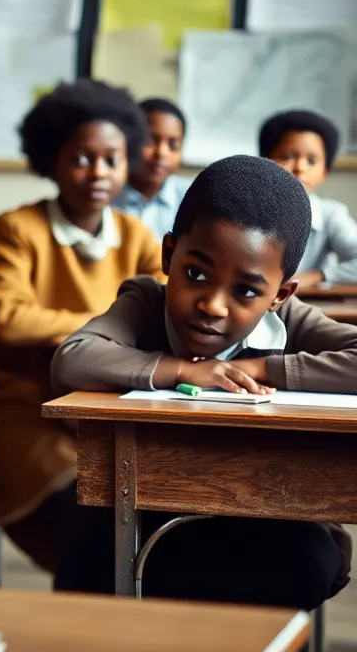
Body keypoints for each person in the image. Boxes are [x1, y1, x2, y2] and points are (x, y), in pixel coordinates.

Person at [52, 154, 351, 609]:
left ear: (279, 295)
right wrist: (184, 370)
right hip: (150, 505)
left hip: (269, 507)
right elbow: (72, 358)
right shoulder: (146, 301)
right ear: (169, 255)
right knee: (86, 547)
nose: (212, 305)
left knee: (303, 561)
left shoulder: (290, 319)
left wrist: (262, 369)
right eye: (195, 274)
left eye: (246, 291)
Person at [0, 80, 163, 574]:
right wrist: (107, 334)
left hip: (112, 409)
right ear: (51, 160)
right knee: (84, 514)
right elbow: (10, 319)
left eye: (112, 158)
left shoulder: (136, 235)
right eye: (82, 158)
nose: (98, 172)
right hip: (26, 406)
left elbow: (166, 310)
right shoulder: (20, 227)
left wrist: (87, 344)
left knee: (154, 504)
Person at [259, 110, 357, 285]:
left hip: (311, 303)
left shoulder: (331, 214)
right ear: (264, 161)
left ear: (324, 172)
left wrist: (317, 276)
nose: (300, 167)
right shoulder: (246, 210)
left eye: (311, 161)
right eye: (287, 157)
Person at [113, 98, 191, 240]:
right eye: (150, 140)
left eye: (173, 145)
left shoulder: (192, 200)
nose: (161, 153)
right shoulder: (106, 196)